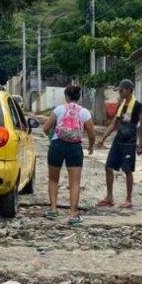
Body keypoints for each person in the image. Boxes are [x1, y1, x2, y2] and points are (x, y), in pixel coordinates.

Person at [41, 83, 95, 225]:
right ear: (78, 97)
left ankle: (53, 210)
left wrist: (50, 136)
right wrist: (90, 146)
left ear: (66, 96)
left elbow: (45, 127)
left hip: (57, 145)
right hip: (74, 148)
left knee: (53, 179)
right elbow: (91, 133)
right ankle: (73, 215)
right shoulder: (84, 112)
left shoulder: (59, 109)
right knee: (75, 183)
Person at [97, 79, 142, 209]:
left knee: (127, 170)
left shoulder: (137, 106)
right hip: (118, 139)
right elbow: (114, 123)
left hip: (129, 141)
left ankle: (128, 199)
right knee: (108, 166)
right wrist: (103, 138)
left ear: (129, 90)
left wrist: (140, 145)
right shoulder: (121, 105)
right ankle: (109, 197)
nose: (120, 92)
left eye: (122, 90)